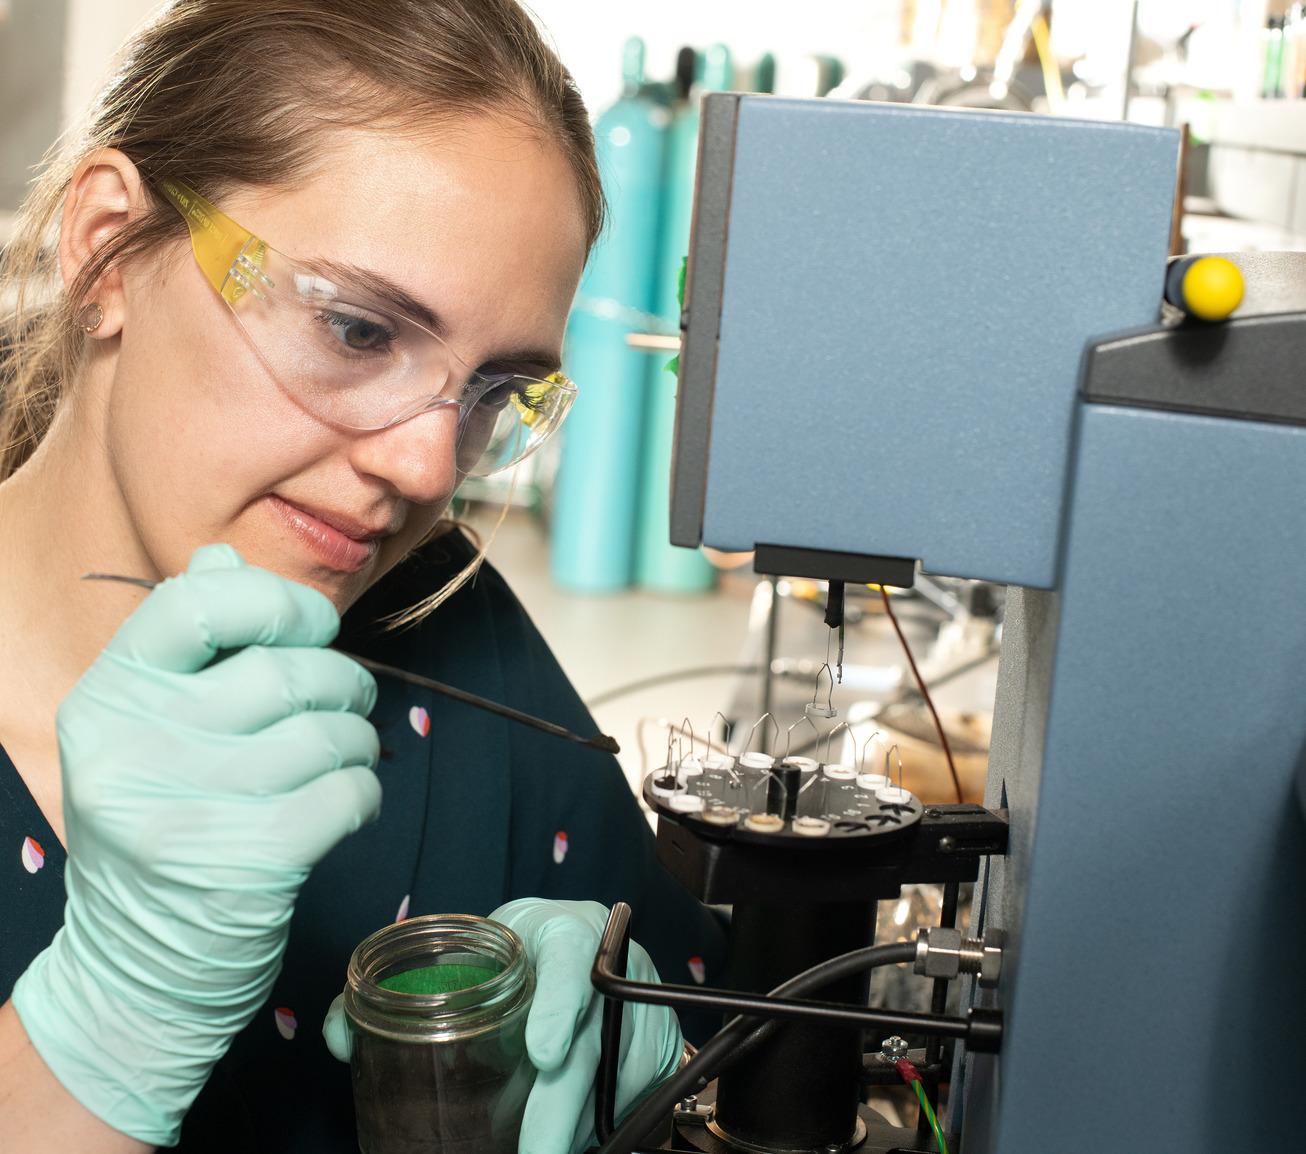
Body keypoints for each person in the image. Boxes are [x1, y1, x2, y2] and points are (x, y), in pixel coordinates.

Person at [0, 2, 727, 1151]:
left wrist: (651, 1053)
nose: (428, 464)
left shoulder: (446, 629)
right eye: (353, 330)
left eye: (494, 391)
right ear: (104, 252)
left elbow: (722, 1040)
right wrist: (91, 1045)